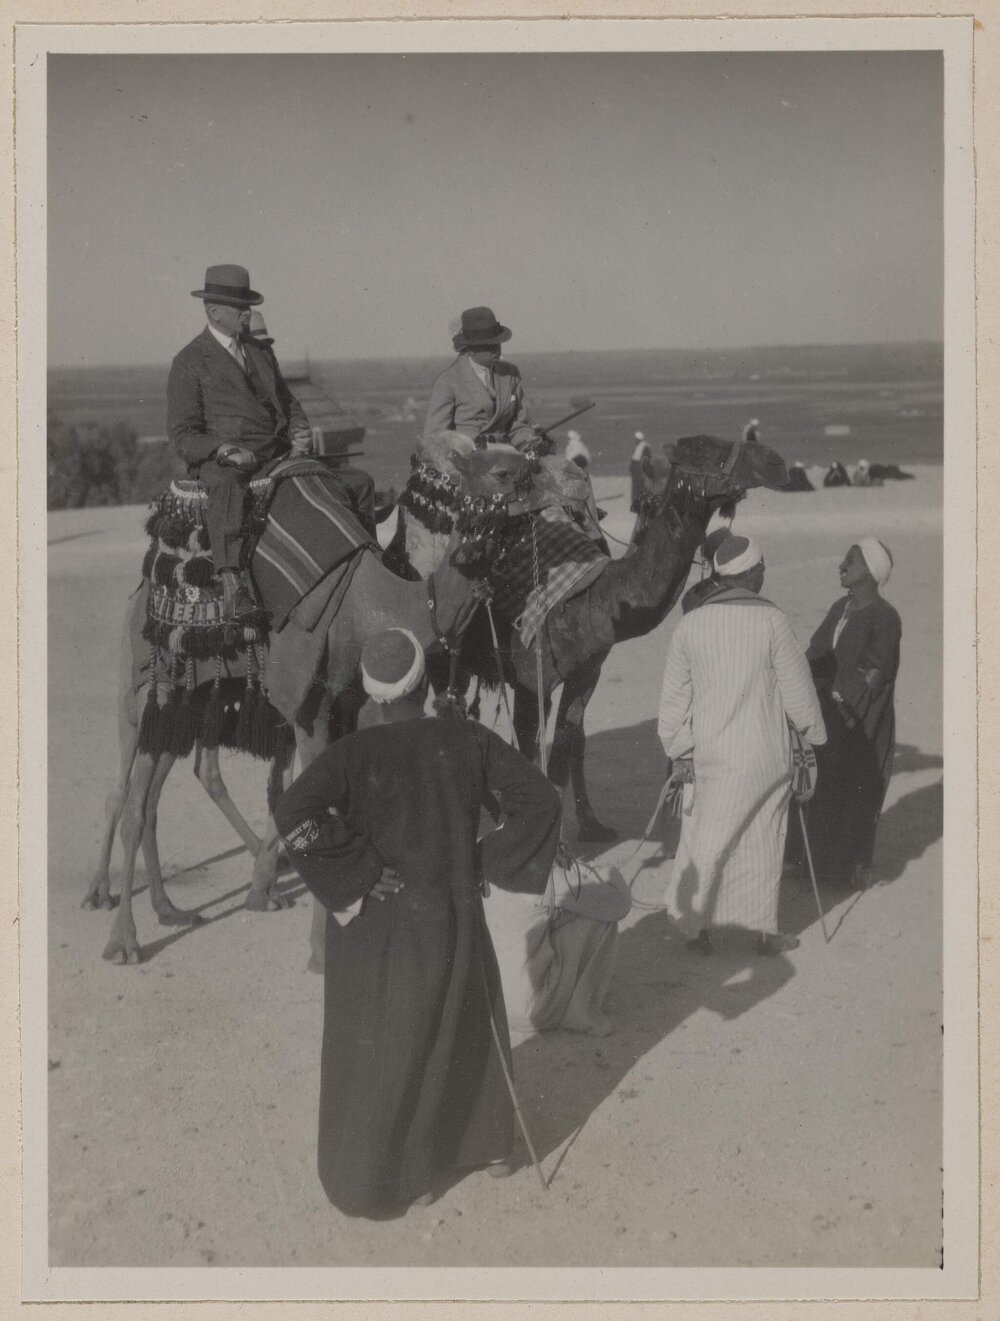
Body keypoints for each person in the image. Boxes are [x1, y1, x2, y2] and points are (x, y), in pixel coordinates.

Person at [273, 628, 562, 1218]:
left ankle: (402, 1178)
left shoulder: (350, 753)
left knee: (390, 1042)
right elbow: (542, 800)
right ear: (424, 684)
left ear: (372, 695)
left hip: (380, 928)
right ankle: (488, 1149)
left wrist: (357, 871)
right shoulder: (467, 738)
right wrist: (485, 859)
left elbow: (293, 813)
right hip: (451, 913)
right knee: (466, 1018)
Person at [658, 533, 827, 955]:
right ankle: (762, 933)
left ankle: (695, 928)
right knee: (764, 840)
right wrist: (813, 735)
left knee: (704, 839)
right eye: (762, 566)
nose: (764, 572)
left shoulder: (690, 624)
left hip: (710, 754)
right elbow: (798, 690)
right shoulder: (772, 620)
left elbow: (674, 701)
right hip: (764, 754)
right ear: (750, 573)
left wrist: (680, 750)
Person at [167, 264, 314, 620]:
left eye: (248, 306)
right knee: (226, 483)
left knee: (354, 483)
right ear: (214, 311)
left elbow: (287, 401)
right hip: (225, 463)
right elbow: (183, 435)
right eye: (240, 307)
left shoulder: (260, 352)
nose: (247, 312)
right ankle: (234, 587)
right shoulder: (189, 361)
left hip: (276, 454)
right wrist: (223, 449)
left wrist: (300, 429)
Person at [801, 538, 901, 888]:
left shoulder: (885, 617)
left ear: (871, 572)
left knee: (855, 789)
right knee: (821, 787)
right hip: (830, 713)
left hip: (862, 721)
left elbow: (874, 678)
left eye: (851, 561)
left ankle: (843, 870)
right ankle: (811, 866)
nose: (842, 566)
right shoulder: (839, 608)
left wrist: (839, 703)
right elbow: (816, 653)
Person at [423, 306, 548, 453]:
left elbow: (518, 425)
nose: (496, 350)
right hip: (468, 459)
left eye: (497, 343)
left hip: (507, 457)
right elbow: (435, 437)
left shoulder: (511, 374)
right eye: (488, 346)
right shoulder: (448, 382)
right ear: (471, 349)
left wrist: (528, 442)